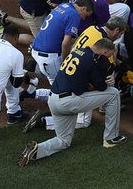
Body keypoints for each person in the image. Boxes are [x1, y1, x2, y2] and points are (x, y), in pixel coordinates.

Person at [17, 39, 126, 167]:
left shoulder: (78, 51)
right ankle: (110, 138)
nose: (108, 58)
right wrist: (110, 79)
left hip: (53, 100)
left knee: (63, 141)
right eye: (108, 55)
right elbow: (101, 86)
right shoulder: (91, 60)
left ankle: (38, 150)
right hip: (69, 102)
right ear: (105, 51)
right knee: (113, 93)